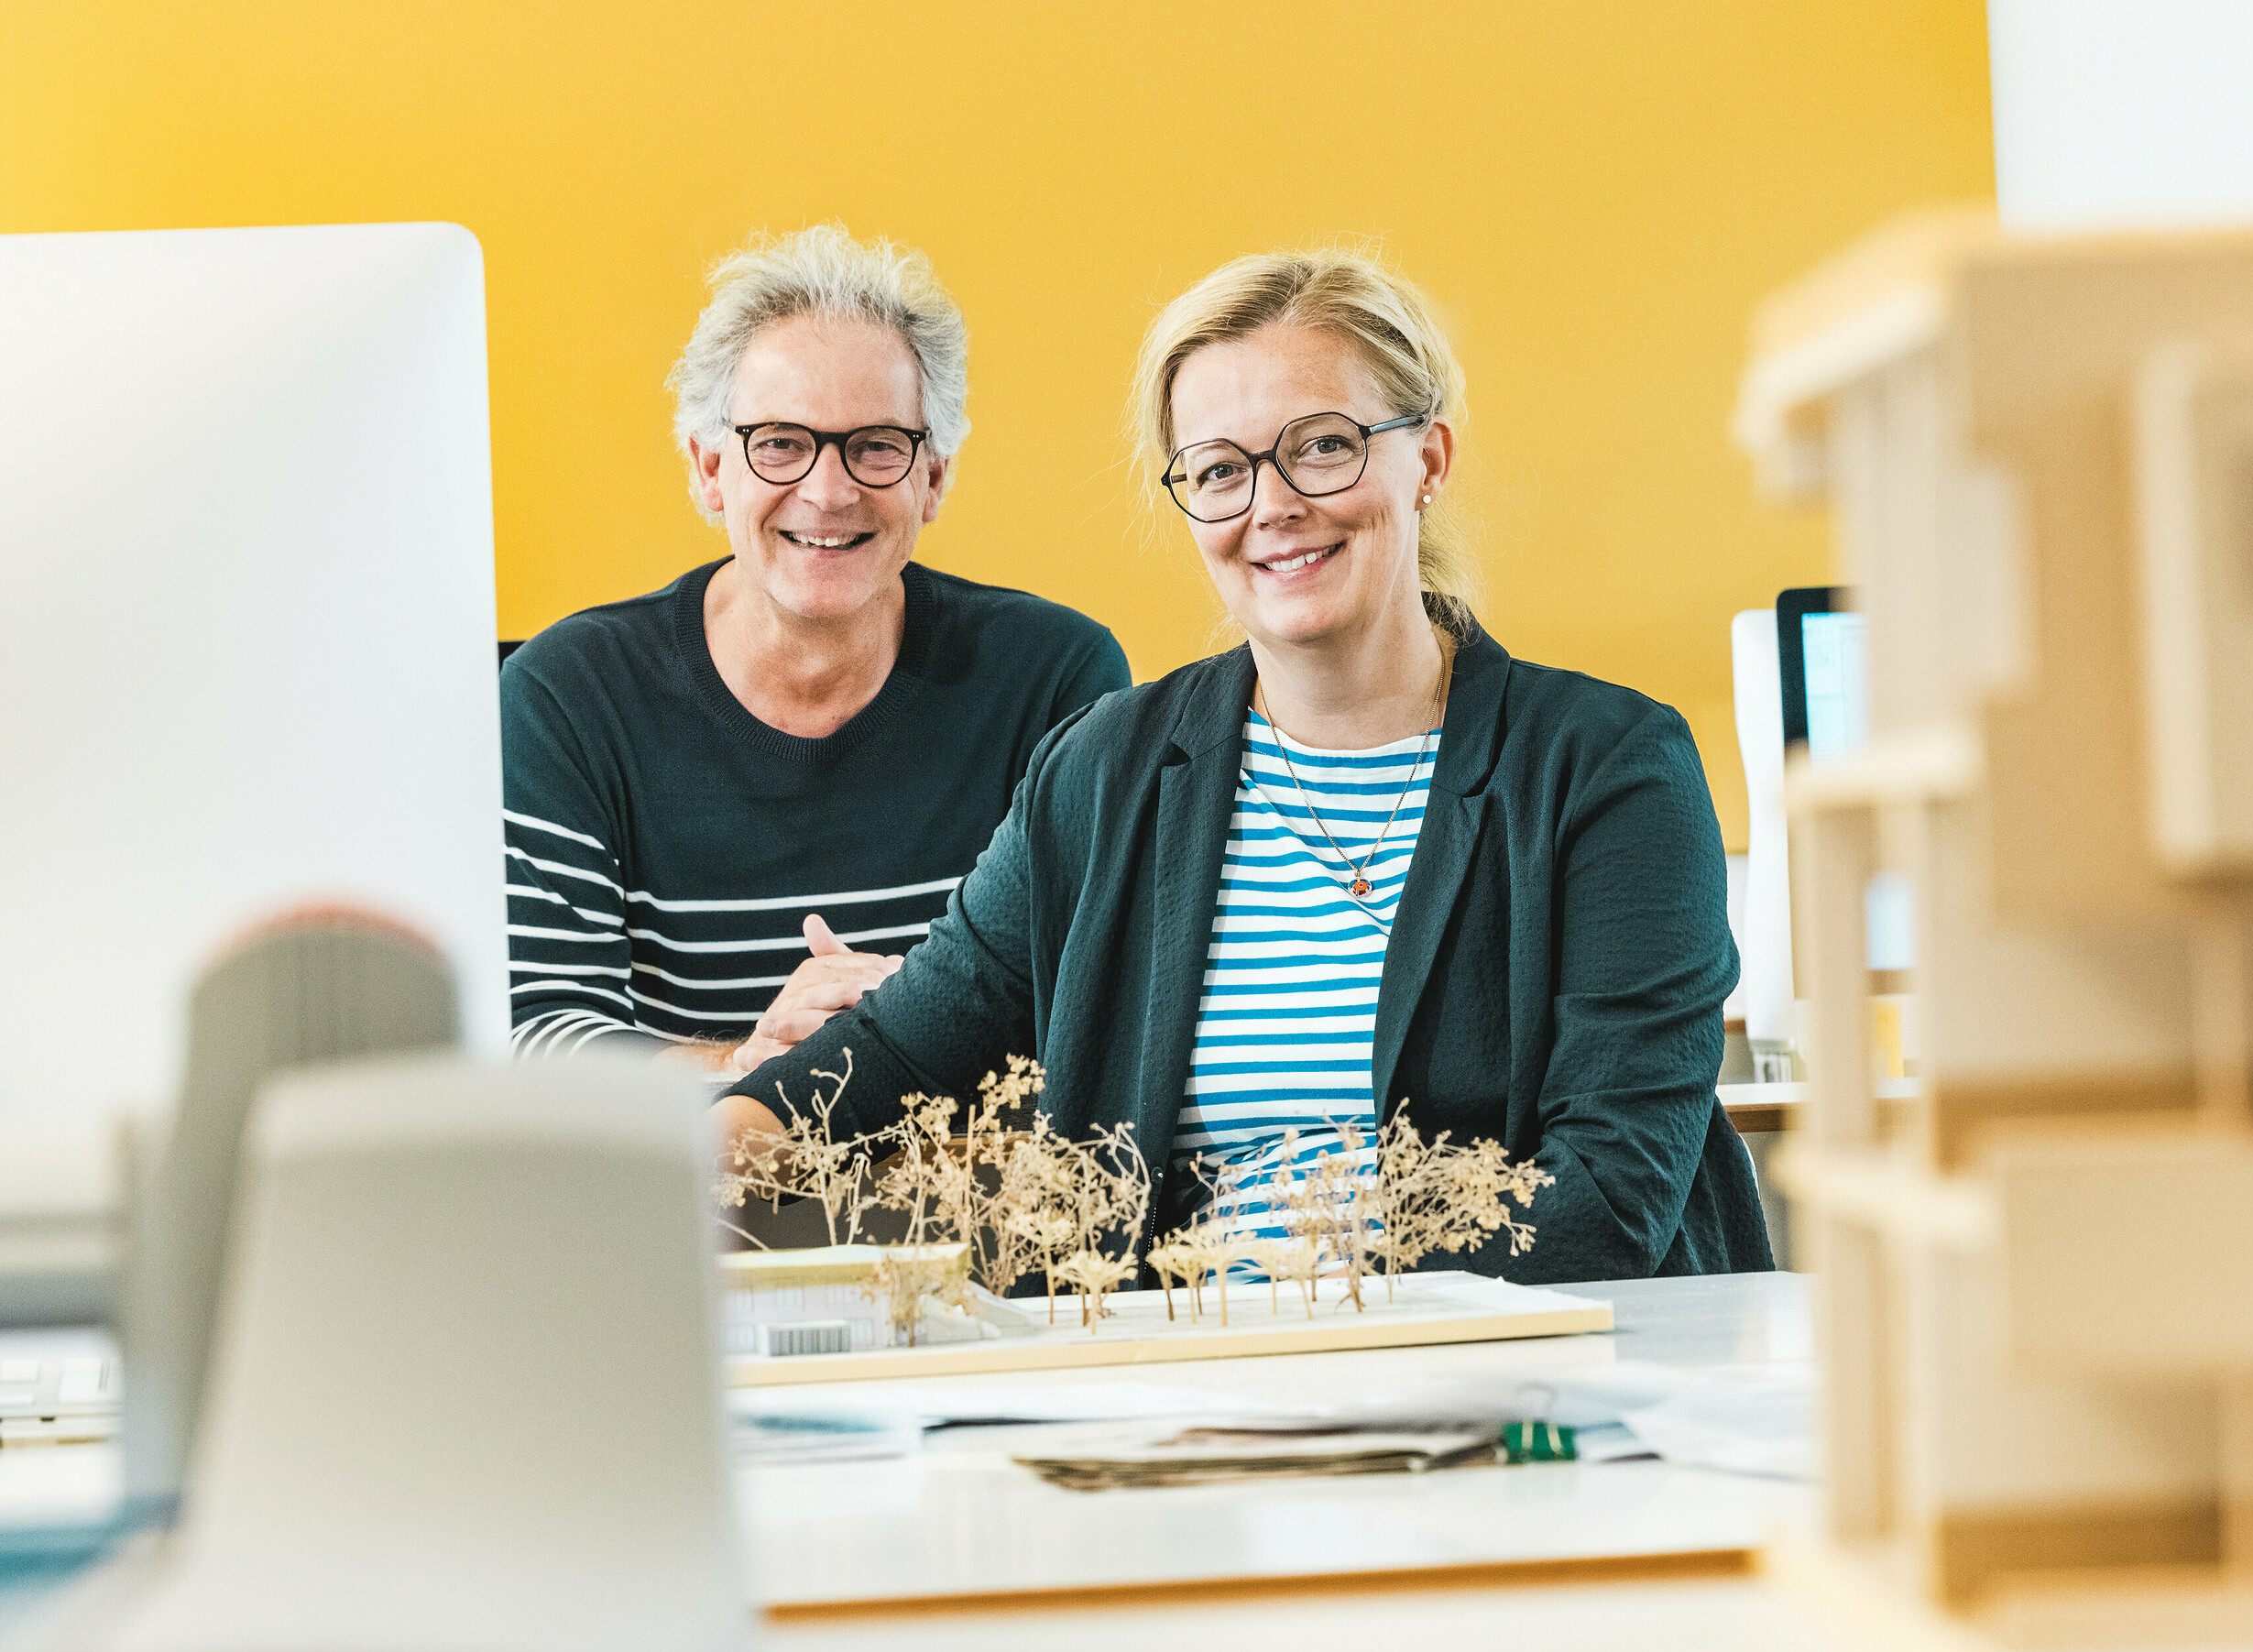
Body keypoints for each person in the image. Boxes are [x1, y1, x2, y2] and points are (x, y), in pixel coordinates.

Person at [716, 246, 1768, 1283]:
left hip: (1537, 1388)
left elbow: (1610, 1197)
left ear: (1428, 460)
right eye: (1220, 470)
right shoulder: (1103, 772)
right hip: (1199, 1390)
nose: (1271, 506)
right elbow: (896, 1056)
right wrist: (694, 1160)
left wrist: (1288, 1291)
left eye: (1321, 447)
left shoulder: (1609, 770)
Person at [501, 225, 1130, 1071]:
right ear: (709, 469)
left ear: (932, 477)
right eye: (782, 444)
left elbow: (1102, 1012)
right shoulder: (567, 695)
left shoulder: (1053, 678)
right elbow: (540, 1035)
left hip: (982, 1184)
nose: (828, 492)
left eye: (875, 446)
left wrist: (913, 1029)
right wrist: (751, 1066)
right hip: (687, 1190)